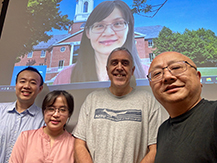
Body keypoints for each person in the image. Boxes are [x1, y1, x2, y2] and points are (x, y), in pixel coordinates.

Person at [72, 47, 163, 163]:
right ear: (107, 69)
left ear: (132, 70)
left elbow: (155, 148)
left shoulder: (148, 101)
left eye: (125, 63)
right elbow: (80, 142)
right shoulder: (92, 99)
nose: (119, 67)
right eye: (114, 63)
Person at [53, 0, 148, 84]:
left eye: (117, 23)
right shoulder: (64, 78)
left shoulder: (148, 74)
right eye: (99, 25)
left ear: (128, 29)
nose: (108, 33)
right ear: (88, 33)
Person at [147, 51, 217, 163]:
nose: (167, 76)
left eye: (176, 67)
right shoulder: (163, 130)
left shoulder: (214, 115)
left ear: (198, 77)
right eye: (157, 74)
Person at [9, 90, 75, 163]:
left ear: (69, 113)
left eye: (62, 110)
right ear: (44, 111)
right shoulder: (26, 137)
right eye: (51, 109)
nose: (56, 114)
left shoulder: (74, 144)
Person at [0, 66, 44, 163]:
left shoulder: (44, 120)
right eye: (22, 81)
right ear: (16, 85)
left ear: (40, 89)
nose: (26, 86)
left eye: (33, 83)